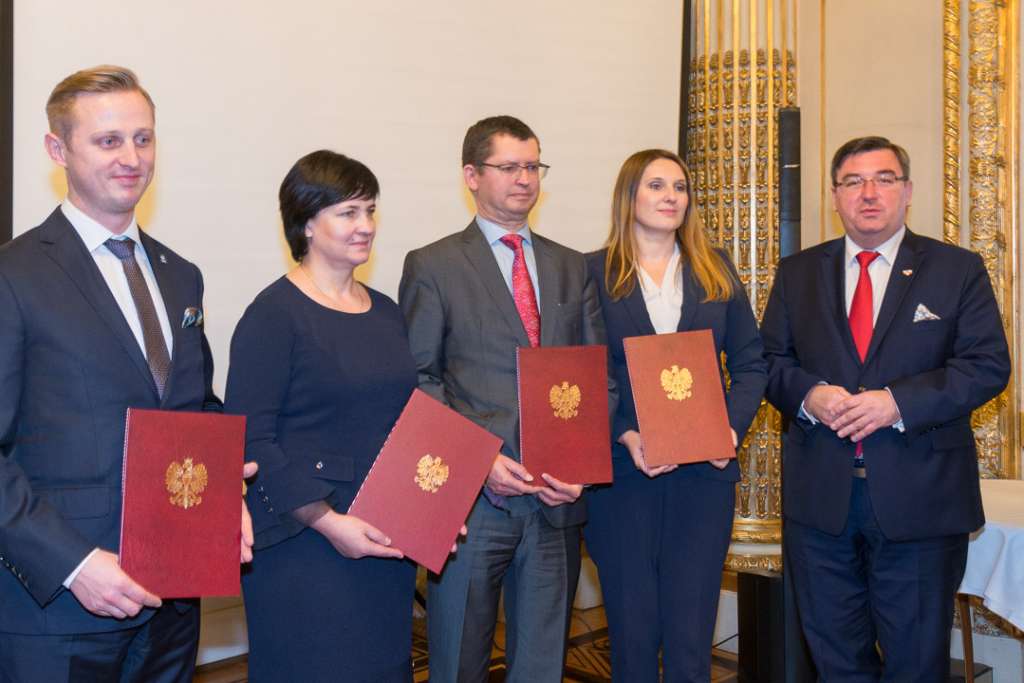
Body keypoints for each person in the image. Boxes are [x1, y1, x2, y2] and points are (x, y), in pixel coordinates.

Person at [0, 65, 255, 682]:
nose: (131, 158)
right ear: (57, 149)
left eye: (143, 139)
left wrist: (225, 492)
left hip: (173, 604)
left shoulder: (180, 275)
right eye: (108, 140)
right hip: (61, 609)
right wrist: (73, 563)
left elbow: (194, 410)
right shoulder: (14, 275)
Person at [761, 136, 1010, 681]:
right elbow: (769, 362)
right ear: (835, 195)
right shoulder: (797, 273)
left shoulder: (956, 269)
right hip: (820, 506)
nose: (869, 193)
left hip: (919, 502)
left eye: (884, 179)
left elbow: (987, 366)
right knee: (835, 661)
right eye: (853, 181)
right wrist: (809, 395)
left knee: (915, 666)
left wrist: (896, 402)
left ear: (908, 191)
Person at [399, 115, 613, 682]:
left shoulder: (572, 266)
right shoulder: (434, 265)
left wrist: (582, 466)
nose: (525, 179)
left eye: (533, 166)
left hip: (557, 501)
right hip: (471, 505)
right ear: (471, 175)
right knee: (457, 662)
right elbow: (421, 380)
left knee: (541, 666)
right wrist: (479, 460)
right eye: (509, 166)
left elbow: (598, 377)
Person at [225, 150, 422, 682]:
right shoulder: (273, 314)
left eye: (370, 211)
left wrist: (434, 509)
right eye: (348, 212)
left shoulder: (385, 311)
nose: (366, 227)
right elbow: (251, 439)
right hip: (303, 545)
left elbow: (405, 425)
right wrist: (328, 522)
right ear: (306, 223)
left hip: (383, 536)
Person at [582, 149, 766, 682]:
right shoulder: (591, 272)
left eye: (680, 187)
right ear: (629, 196)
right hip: (624, 479)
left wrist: (729, 428)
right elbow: (586, 371)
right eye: (656, 185)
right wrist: (623, 433)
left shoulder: (717, 268)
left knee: (691, 638)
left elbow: (753, 362)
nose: (671, 197)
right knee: (632, 636)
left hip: (703, 479)